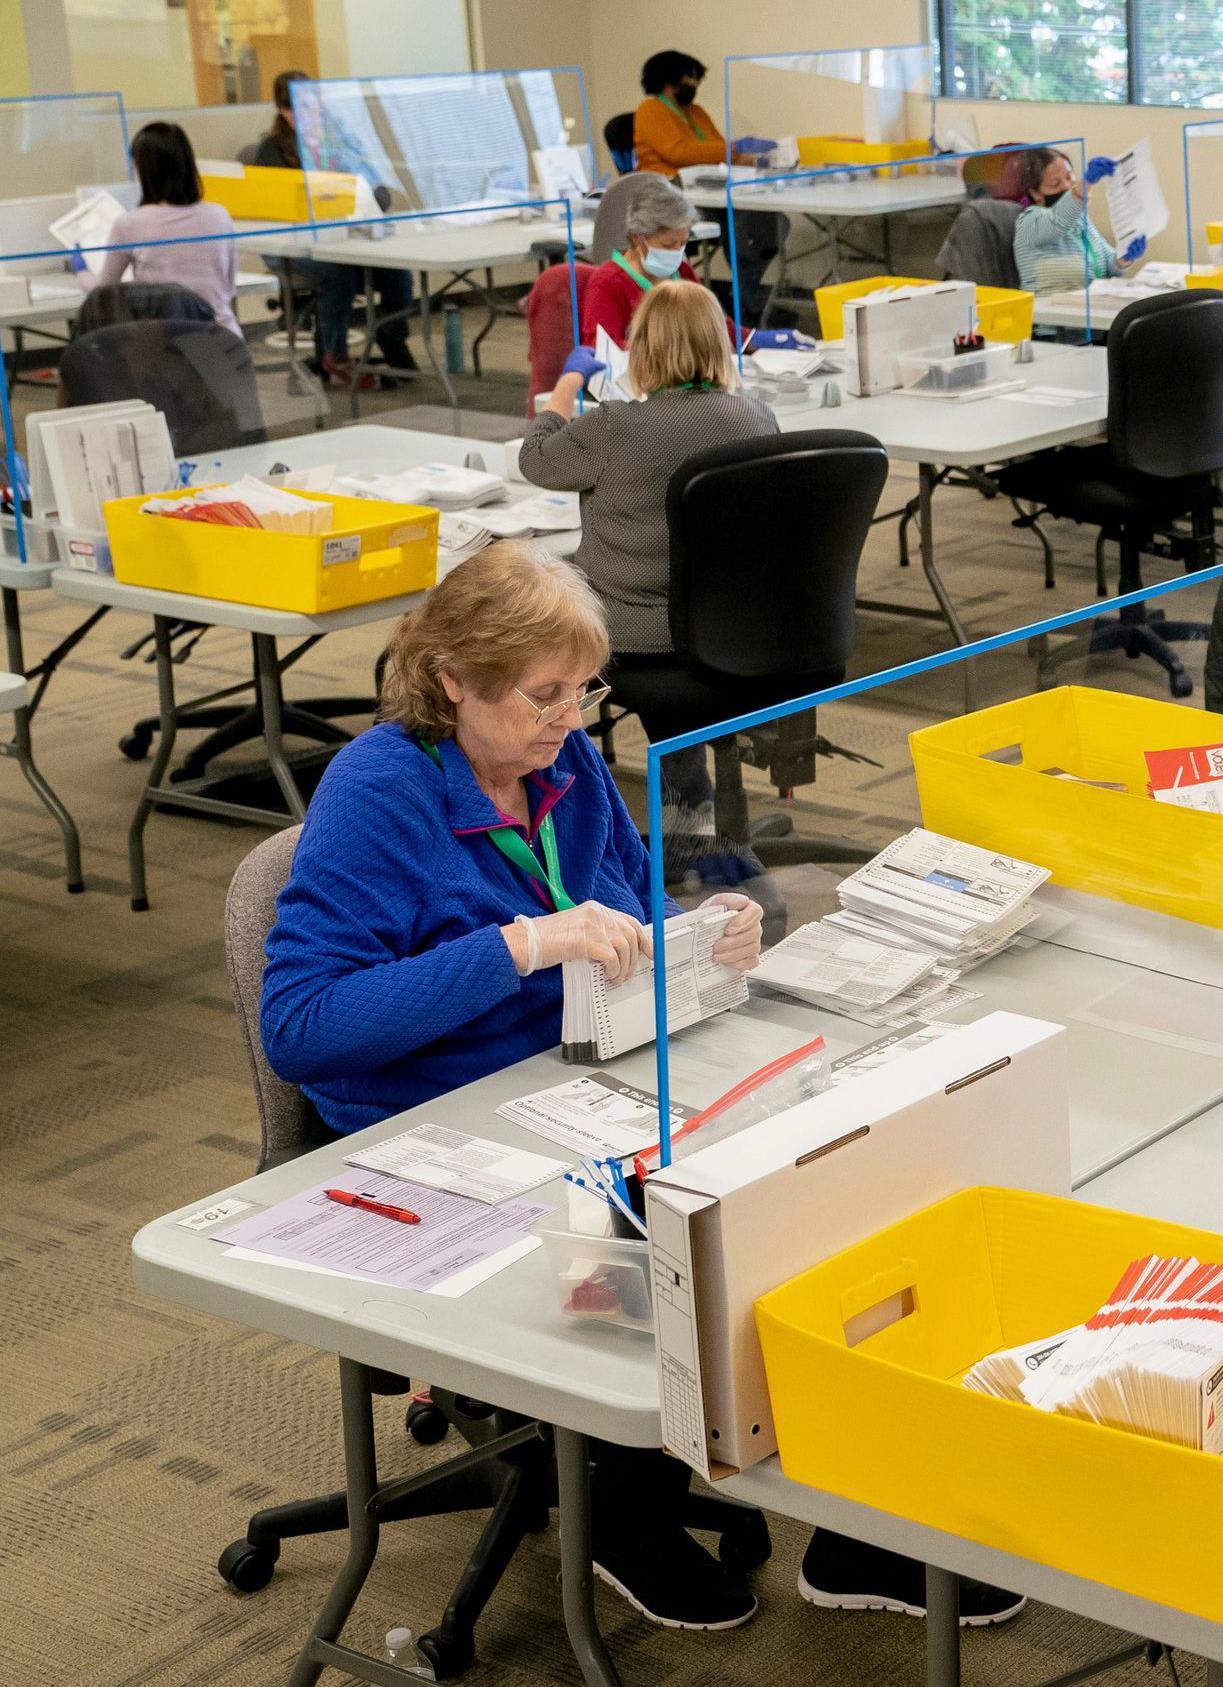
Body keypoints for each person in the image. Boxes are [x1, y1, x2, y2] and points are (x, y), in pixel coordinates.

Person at [258, 546, 1025, 1636]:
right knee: (715, 1234)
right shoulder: (382, 790)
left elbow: (625, 912)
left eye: (583, 690)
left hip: (583, 1081)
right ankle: (617, 1503)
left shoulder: (563, 770)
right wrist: (516, 946)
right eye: (541, 694)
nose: (569, 718)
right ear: (451, 681)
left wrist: (705, 940)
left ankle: (861, 1513)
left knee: (841, 1181)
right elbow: (301, 1027)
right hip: (436, 1124)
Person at [519, 279, 777, 865]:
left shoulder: (613, 427)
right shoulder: (757, 418)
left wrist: (566, 382)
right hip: (741, 634)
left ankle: (577, 831)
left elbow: (536, 458)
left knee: (530, 615)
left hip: (638, 641)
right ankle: (694, 828)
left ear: (640, 352)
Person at [257, 71, 415, 389]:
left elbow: (372, 183)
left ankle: (390, 335)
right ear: (281, 110)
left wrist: (372, 197)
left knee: (397, 272)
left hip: (345, 239)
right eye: (295, 110)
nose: (305, 116)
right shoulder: (272, 151)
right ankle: (334, 354)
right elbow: (279, 208)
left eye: (311, 107)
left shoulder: (338, 142)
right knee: (338, 274)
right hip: (292, 245)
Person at [629, 50, 787, 327]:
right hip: (672, 197)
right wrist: (734, 149)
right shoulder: (650, 110)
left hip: (710, 193)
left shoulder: (696, 112)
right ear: (671, 79)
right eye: (690, 78)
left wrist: (750, 158)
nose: (695, 85)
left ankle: (747, 294)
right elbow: (679, 152)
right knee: (740, 226)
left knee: (772, 223)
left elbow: (717, 149)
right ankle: (746, 304)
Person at [580, 177, 795, 357]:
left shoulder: (679, 272)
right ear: (638, 238)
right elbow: (601, 352)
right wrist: (676, 348)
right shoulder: (607, 283)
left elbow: (715, 326)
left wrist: (756, 339)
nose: (677, 251)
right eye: (668, 244)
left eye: (682, 243)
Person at [95, 122, 241, 337]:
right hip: (225, 342)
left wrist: (81, 273)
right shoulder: (219, 215)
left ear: (144, 170)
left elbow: (103, 293)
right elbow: (228, 286)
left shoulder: (130, 224)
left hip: (167, 346)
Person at [1010, 149, 1150, 297]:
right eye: (1055, 183)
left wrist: (1123, 257)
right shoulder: (1029, 221)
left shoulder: (1081, 219)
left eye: (1069, 177)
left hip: (1087, 308)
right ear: (1035, 194)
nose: (1066, 185)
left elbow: (1107, 263)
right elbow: (1057, 222)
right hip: (1049, 314)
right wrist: (1086, 183)